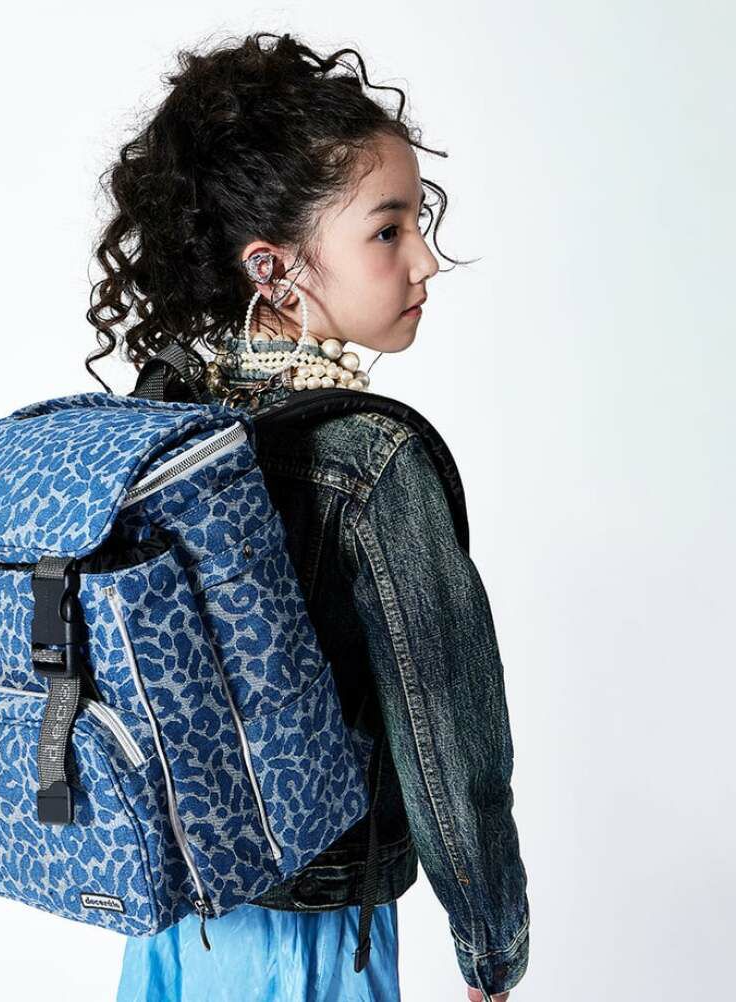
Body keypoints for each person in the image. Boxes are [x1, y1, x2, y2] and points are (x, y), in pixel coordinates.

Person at [84, 31, 530, 1002]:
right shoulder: (372, 461)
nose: (425, 260)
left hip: (172, 920)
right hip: (319, 936)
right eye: (388, 231)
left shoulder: (164, 417)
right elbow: (448, 737)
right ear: (275, 269)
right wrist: (490, 940)